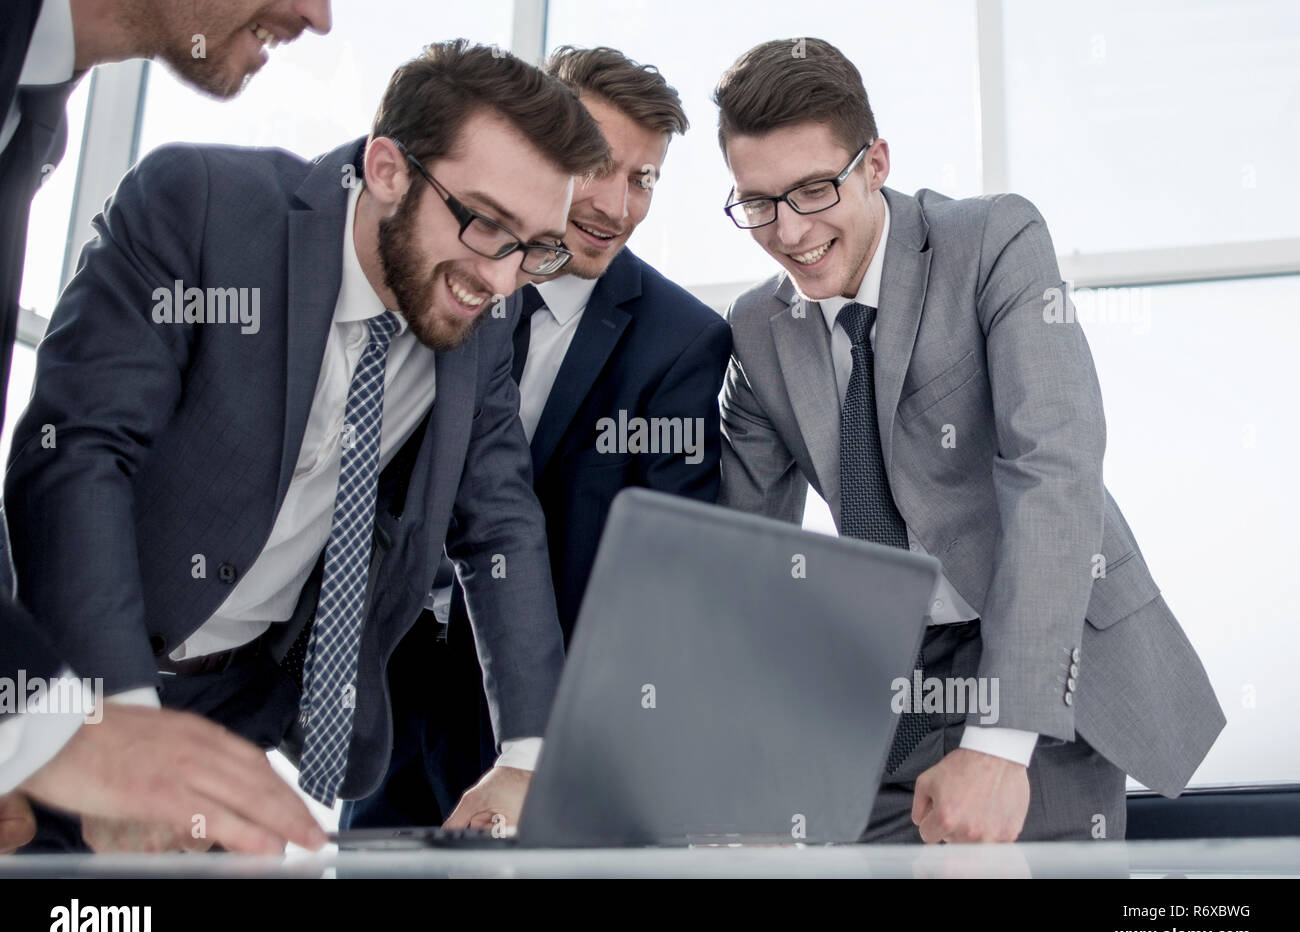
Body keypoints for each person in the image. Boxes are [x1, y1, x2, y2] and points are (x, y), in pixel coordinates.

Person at [4, 38, 609, 852]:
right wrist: (123, 726)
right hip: (60, 682)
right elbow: (75, 455)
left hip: (234, 717)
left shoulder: (484, 316)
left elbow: (498, 520)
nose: (502, 280)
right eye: (484, 224)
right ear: (388, 168)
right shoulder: (203, 208)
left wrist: (528, 755)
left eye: (536, 248)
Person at [712, 38, 1225, 843]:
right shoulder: (757, 331)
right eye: (758, 202)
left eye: (813, 190)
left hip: (1035, 657)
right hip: (889, 691)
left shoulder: (993, 241)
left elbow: (1054, 471)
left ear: (875, 163)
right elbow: (744, 557)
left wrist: (997, 740)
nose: (788, 230)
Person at [341, 46, 732, 829]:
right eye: (598, 164)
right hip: (391, 692)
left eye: (644, 179)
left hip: (551, 723)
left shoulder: (682, 341)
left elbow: (669, 569)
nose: (616, 206)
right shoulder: (431, 272)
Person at [1, 0, 333, 854]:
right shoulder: (198, 201)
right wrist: (43, 728)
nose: (320, 16)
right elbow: (76, 450)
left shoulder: (32, 93)